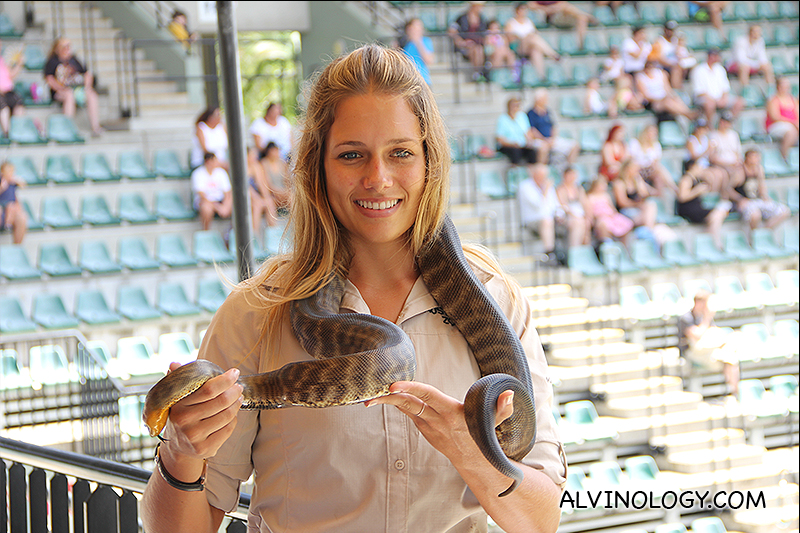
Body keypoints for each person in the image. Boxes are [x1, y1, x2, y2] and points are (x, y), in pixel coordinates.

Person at [140, 44, 565, 533]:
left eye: (400, 152)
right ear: (318, 166)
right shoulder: (256, 315)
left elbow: (541, 520)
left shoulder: (497, 300)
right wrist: (181, 450)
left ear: (430, 161)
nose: (377, 179)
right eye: (351, 155)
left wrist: (472, 452)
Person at [678, 289, 739, 395]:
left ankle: (733, 391)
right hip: (693, 352)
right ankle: (732, 391)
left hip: (709, 349)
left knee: (730, 359)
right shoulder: (686, 318)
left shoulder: (704, 316)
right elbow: (696, 335)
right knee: (723, 360)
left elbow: (714, 334)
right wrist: (706, 319)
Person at [43, 37, 102, 136]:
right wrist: (61, 88)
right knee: (69, 95)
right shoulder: (52, 61)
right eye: (64, 47)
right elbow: (49, 79)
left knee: (92, 95)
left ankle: (95, 127)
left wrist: (87, 87)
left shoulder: (74, 59)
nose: (67, 49)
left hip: (78, 89)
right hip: (61, 91)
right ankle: (68, 127)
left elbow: (87, 74)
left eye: (68, 47)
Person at [728, 149, 790, 237]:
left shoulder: (759, 169)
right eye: (753, 157)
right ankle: (754, 237)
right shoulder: (740, 172)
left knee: (784, 211)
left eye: (757, 157)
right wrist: (739, 199)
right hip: (744, 202)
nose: (756, 159)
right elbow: (727, 189)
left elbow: (761, 187)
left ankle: (763, 233)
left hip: (757, 200)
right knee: (755, 215)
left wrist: (765, 197)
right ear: (747, 158)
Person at [676, 159, 730, 248]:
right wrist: (696, 191)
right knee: (717, 214)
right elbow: (682, 197)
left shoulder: (696, 180)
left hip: (696, 207)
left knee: (718, 215)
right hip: (689, 210)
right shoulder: (686, 179)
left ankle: (711, 239)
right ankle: (713, 241)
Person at [518, 163, 563, 261]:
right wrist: (545, 190)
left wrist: (560, 215)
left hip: (551, 217)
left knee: (576, 221)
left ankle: (569, 256)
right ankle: (549, 252)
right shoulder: (525, 186)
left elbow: (555, 204)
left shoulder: (548, 186)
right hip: (533, 220)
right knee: (547, 221)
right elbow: (538, 205)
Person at [504, 2, 560, 78]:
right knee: (532, 38)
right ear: (517, 11)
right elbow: (510, 38)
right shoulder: (511, 22)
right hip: (518, 46)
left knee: (536, 50)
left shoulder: (528, 21)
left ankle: (541, 76)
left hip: (529, 46)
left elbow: (535, 33)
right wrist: (522, 37)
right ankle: (553, 54)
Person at [526, 88, 579, 167]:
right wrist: (544, 139)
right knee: (543, 148)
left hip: (551, 139)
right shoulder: (530, 113)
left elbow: (554, 127)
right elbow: (532, 130)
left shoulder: (548, 111)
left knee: (575, 145)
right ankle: (542, 171)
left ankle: (569, 169)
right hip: (539, 140)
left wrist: (553, 138)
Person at [690, 48, 744, 123]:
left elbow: (725, 88)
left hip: (719, 97)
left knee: (739, 102)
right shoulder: (699, 70)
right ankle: (709, 126)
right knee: (710, 104)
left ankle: (727, 123)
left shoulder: (720, 69)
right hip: (704, 98)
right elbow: (699, 91)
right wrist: (713, 100)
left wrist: (723, 98)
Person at [611, 159, 658, 235]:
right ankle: (649, 231)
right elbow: (622, 203)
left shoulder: (636, 181)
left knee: (651, 205)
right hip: (625, 211)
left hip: (637, 209)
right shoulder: (619, 183)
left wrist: (639, 183)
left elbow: (644, 195)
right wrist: (636, 204)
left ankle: (649, 230)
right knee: (646, 215)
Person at [628, 124, 676, 195]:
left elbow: (656, 161)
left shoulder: (656, 145)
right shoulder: (635, 143)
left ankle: (671, 188)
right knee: (636, 174)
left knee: (659, 173)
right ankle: (650, 192)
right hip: (638, 169)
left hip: (650, 169)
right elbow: (631, 159)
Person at [586, 176, 634, 246]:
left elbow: (612, 207)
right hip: (601, 217)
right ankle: (608, 244)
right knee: (603, 224)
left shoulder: (606, 195)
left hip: (610, 216)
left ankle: (624, 247)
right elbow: (590, 212)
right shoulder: (590, 197)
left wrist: (612, 214)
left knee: (626, 224)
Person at [448, 1, 489, 81]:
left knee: (478, 49)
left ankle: (478, 72)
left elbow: (486, 33)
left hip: (479, 45)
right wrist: (461, 42)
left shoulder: (482, 19)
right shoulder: (461, 18)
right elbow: (452, 30)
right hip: (465, 46)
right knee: (476, 49)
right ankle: (478, 72)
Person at [527, 1, 596, 49]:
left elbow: (562, 4)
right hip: (553, 18)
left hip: (564, 14)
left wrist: (555, 7)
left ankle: (581, 45)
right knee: (566, 7)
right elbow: (531, 5)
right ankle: (587, 15)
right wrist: (548, 9)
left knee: (582, 18)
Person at [684, 117, 728, 193]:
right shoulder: (691, 140)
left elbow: (710, 156)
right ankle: (710, 197)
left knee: (721, 174)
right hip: (695, 166)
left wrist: (712, 151)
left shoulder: (705, 139)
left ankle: (718, 196)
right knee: (711, 177)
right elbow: (693, 157)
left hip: (705, 165)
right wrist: (706, 152)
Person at [191, 152, 232, 231]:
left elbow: (227, 192)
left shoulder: (221, 172)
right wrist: (218, 207)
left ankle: (231, 232)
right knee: (206, 208)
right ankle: (206, 231)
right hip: (206, 201)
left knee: (236, 204)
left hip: (220, 200)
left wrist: (226, 205)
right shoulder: (197, 173)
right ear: (208, 162)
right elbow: (202, 195)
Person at [765, 76, 799, 162]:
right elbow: (775, 116)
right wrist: (792, 122)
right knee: (791, 132)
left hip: (792, 124)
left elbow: (797, 114)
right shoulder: (773, 100)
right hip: (777, 125)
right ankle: (784, 155)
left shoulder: (792, 99)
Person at [495, 97, 537, 165]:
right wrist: (512, 144)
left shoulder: (522, 116)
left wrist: (529, 141)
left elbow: (528, 131)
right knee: (515, 152)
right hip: (509, 145)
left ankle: (532, 171)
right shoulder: (502, 119)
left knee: (532, 152)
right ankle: (515, 171)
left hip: (521, 144)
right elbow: (500, 139)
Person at [555, 166, 591, 247]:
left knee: (584, 222)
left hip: (580, 215)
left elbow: (586, 204)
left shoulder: (579, 189)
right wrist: (575, 215)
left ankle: (584, 249)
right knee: (578, 222)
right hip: (568, 216)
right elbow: (563, 205)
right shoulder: (561, 189)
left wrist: (588, 217)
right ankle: (574, 249)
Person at [247, 146, 279, 236]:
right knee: (257, 205)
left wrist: (266, 197)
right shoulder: (241, 169)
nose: (255, 156)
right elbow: (247, 188)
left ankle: (273, 234)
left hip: (257, 196)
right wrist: (258, 199)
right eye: (252, 154)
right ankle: (254, 235)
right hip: (246, 198)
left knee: (270, 202)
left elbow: (261, 184)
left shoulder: (257, 166)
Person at [709, 110, 744, 189]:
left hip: (734, 164)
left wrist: (737, 163)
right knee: (723, 175)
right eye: (725, 122)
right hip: (721, 165)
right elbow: (712, 157)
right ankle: (725, 196)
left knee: (740, 174)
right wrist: (728, 164)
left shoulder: (734, 135)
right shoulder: (713, 135)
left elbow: (738, 152)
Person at [650, 20, 687, 89]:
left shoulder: (675, 41)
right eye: (668, 30)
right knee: (676, 70)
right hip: (663, 66)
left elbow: (682, 53)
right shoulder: (659, 41)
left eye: (672, 30)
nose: (670, 32)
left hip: (675, 64)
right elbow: (658, 58)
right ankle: (677, 89)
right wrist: (672, 64)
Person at [0, 39, 25, 137]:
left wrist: (19, 64)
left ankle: (19, 130)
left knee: (19, 104)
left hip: (8, 91)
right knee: (3, 107)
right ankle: (7, 133)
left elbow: (11, 75)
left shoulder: (3, 60)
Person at [401, 18, 434, 86]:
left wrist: (418, 42)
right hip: (407, 80)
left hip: (422, 79)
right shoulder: (404, 43)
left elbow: (429, 60)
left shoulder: (426, 41)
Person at [0, 161, 27, 244]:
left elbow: (23, 184)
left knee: (21, 217)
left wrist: (16, 180)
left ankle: (17, 249)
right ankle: (6, 223)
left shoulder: (12, 182)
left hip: (10, 205)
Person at [259, 141, 291, 210]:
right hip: (272, 194)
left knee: (292, 197)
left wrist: (286, 191)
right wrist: (278, 192)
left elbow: (287, 180)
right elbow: (267, 183)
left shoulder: (282, 163)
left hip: (283, 192)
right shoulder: (264, 163)